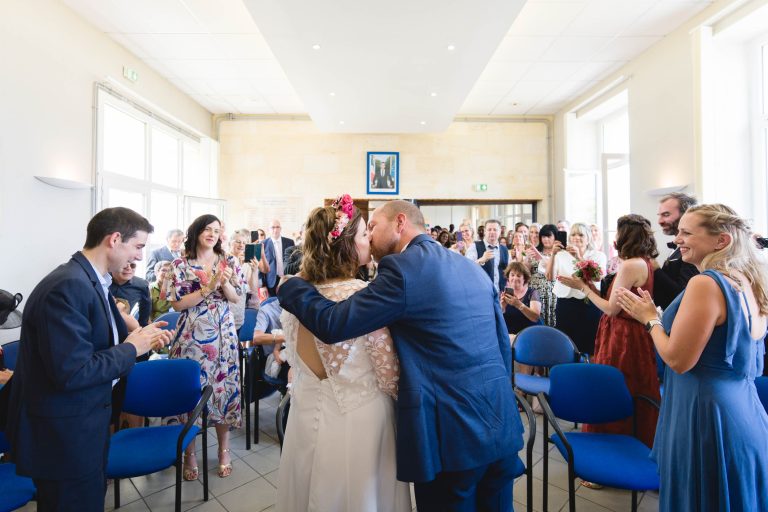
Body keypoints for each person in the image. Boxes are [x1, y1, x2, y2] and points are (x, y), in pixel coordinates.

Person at [279, 200, 523, 512]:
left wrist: (291, 287)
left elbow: (333, 323)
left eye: (373, 227)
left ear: (400, 222)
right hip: (500, 425)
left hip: (452, 437)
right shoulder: (470, 268)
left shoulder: (401, 269)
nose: (369, 236)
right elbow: (501, 345)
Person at [5, 207, 173, 511]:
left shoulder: (94, 281)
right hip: (64, 436)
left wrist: (141, 338)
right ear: (114, 239)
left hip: (86, 426)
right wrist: (132, 348)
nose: (139, 257)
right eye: (137, 247)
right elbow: (74, 371)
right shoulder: (67, 286)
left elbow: (98, 345)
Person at [617, 204, 768, 510]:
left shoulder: (706, 283)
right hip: (743, 410)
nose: (677, 240)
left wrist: (650, 319)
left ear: (721, 240)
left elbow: (677, 359)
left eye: (686, 233)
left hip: (706, 413)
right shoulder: (749, 279)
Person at [277, 196, 410, 511]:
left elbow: (293, 360)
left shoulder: (297, 295)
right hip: (360, 422)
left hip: (304, 414)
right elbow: (389, 375)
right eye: (364, 234)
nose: (370, 239)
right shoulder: (365, 298)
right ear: (347, 244)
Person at [557, 215, 660, 447]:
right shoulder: (645, 262)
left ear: (625, 236)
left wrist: (583, 288)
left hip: (622, 338)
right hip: (631, 332)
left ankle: (609, 442)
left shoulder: (630, 265)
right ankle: (633, 441)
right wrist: (589, 286)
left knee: (613, 387)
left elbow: (611, 309)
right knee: (632, 387)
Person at [163, 214, 245, 480]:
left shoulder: (229, 260)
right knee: (191, 392)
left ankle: (224, 450)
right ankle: (190, 453)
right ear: (196, 231)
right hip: (191, 337)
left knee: (223, 391)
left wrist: (224, 282)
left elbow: (235, 298)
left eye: (217, 231)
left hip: (223, 336)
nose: (212, 234)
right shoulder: (180, 264)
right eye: (207, 229)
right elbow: (177, 304)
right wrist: (209, 287)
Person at [547, 222, 607, 355]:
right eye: (573, 234)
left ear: (588, 238)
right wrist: (553, 254)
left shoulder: (598, 255)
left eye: (581, 235)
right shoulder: (561, 254)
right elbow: (550, 277)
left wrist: (579, 258)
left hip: (589, 302)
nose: (576, 237)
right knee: (566, 346)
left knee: (589, 345)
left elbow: (598, 277)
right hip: (565, 304)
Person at [654, 192, 699, 309]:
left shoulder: (692, 250)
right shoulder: (678, 246)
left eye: (666, 214)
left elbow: (684, 294)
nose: (660, 221)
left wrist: (656, 269)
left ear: (686, 214)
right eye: (660, 215)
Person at [526, 223, 558, 326]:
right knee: (535, 320)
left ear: (555, 237)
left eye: (549, 236)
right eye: (543, 236)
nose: (546, 239)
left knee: (550, 321)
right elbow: (526, 272)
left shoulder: (559, 253)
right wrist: (527, 259)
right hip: (534, 290)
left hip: (551, 291)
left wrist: (543, 259)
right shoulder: (535, 250)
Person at [502, 261, 542, 334]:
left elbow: (535, 318)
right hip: (510, 335)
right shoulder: (503, 294)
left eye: (518, 276)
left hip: (530, 334)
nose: (515, 278)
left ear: (524, 279)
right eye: (512, 275)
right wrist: (502, 307)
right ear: (508, 277)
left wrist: (518, 304)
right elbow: (497, 319)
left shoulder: (532, 293)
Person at [110, 261, 151, 327]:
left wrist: (142, 328)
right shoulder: (101, 280)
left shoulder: (142, 285)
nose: (129, 268)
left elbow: (145, 311)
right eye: (124, 264)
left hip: (125, 327)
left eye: (132, 265)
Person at [475, 219, 510, 293]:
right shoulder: (475, 246)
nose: (492, 232)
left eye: (495, 230)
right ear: (485, 231)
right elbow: (467, 268)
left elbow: (509, 271)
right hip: (481, 292)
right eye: (489, 229)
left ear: (500, 231)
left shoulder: (505, 249)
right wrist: (481, 260)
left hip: (501, 293)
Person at [262, 219, 295, 297]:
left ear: (280, 229)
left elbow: (293, 261)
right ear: (268, 229)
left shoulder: (290, 242)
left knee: (288, 301)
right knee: (272, 302)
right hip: (271, 281)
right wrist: (262, 285)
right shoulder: (263, 244)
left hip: (287, 279)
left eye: (277, 227)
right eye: (273, 227)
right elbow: (259, 266)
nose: (275, 230)